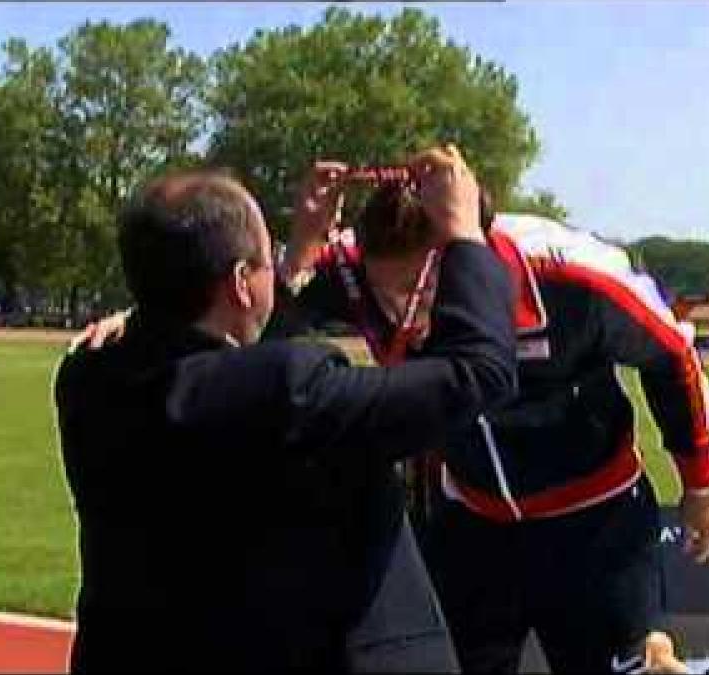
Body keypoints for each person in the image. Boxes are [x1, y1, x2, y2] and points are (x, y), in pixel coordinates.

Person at [53, 146, 517, 672]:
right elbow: (478, 374)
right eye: (264, 259)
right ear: (238, 283)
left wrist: (299, 254)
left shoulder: (88, 379)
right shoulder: (293, 390)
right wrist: (463, 234)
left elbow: (231, 375)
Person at [267, 178, 709, 674]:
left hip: (594, 523)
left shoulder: (570, 274)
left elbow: (671, 357)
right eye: (383, 294)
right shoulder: (354, 271)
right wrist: (298, 255)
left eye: (413, 291)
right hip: (469, 520)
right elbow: (263, 340)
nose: (402, 315)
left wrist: (700, 484)